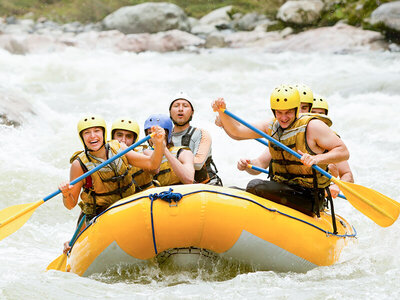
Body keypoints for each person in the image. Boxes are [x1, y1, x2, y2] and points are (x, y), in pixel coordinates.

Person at [212, 84, 350, 216]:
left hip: (309, 196)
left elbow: (343, 152)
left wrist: (316, 159)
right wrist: (223, 113)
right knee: (230, 192)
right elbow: (238, 132)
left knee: (255, 186)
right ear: (274, 111)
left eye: (289, 112)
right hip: (282, 189)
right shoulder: (272, 126)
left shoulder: (314, 126)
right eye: (279, 112)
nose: (283, 117)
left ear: (296, 110)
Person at [59, 114, 165, 223]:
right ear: (82, 137)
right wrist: (66, 194)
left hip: (130, 207)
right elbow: (71, 205)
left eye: (97, 131)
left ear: (104, 133)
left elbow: (152, 164)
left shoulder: (119, 148)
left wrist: (159, 142)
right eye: (87, 133)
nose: (92, 136)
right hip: (103, 216)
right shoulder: (79, 165)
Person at [169, 92, 222, 185]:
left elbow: (198, 164)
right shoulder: (165, 137)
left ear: (192, 112)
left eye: (185, 106)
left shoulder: (201, 134)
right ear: (170, 112)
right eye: (176, 106)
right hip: (178, 188)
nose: (180, 109)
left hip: (206, 185)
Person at [311, 95, 354, 198]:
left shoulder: (332, 142)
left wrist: (337, 186)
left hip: (317, 195)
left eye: (321, 114)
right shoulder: (292, 134)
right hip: (291, 189)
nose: (317, 118)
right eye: (313, 113)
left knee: (331, 166)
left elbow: (348, 175)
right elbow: (263, 162)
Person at [144, 114, 194, 185]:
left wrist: (164, 149)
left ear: (168, 134)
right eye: (150, 133)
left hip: (180, 193)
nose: (154, 138)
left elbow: (189, 180)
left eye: (158, 133)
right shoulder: (144, 155)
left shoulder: (184, 153)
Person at [111, 117, 156, 192]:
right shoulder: (105, 154)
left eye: (128, 136)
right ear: (113, 137)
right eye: (119, 135)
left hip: (145, 197)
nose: (123, 140)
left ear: (134, 140)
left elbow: (155, 169)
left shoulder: (144, 152)